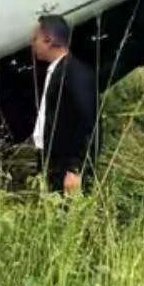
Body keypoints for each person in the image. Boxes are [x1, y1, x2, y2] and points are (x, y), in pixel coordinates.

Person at [30, 15, 101, 195]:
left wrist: (75, 168)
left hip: (65, 165)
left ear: (49, 41)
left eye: (35, 39)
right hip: (51, 159)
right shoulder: (57, 70)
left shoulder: (76, 74)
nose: (32, 44)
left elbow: (89, 123)